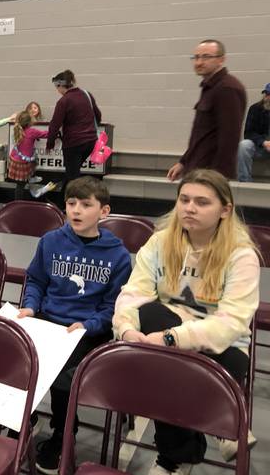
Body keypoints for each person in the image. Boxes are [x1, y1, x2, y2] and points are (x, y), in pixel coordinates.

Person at [113, 169, 259, 475]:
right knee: (152, 321)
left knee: (161, 359)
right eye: (184, 199)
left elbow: (231, 323)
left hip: (224, 349)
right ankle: (220, 418)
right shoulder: (160, 242)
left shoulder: (241, 254)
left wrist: (171, 338)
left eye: (202, 202)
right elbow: (132, 294)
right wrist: (125, 329)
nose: (190, 208)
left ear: (225, 210)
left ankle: (173, 458)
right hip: (161, 336)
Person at [18, 177, 132, 474]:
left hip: (87, 331)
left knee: (61, 374)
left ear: (103, 211)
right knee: (15, 354)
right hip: (48, 320)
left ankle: (62, 432)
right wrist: (30, 305)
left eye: (86, 205)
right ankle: (23, 418)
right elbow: (37, 280)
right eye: (71, 204)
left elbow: (114, 307)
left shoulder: (117, 256)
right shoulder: (51, 241)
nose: (76, 210)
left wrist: (89, 324)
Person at [167, 40, 247, 181]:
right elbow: (201, 135)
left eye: (206, 57)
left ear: (221, 60)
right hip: (196, 168)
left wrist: (218, 178)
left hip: (210, 174)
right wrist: (183, 162)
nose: (199, 62)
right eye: (196, 57)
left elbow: (229, 138)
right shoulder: (210, 87)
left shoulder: (227, 88)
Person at [46, 70, 101, 189]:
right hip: (90, 142)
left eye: (57, 87)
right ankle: (65, 200)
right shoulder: (87, 94)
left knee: (73, 177)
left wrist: (50, 143)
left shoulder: (63, 101)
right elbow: (98, 115)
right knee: (72, 173)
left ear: (60, 85)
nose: (57, 91)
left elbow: (55, 125)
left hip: (73, 143)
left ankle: (73, 203)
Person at [9, 110, 49, 200]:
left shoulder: (17, 129)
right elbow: (46, 134)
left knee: (20, 183)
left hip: (15, 159)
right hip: (23, 162)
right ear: (30, 122)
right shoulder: (32, 131)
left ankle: (31, 177)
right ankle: (17, 203)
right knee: (20, 185)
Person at [237, 83, 270, 182]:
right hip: (260, 147)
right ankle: (245, 181)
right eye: (267, 94)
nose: (268, 97)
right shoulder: (255, 109)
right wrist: (264, 142)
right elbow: (248, 133)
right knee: (243, 145)